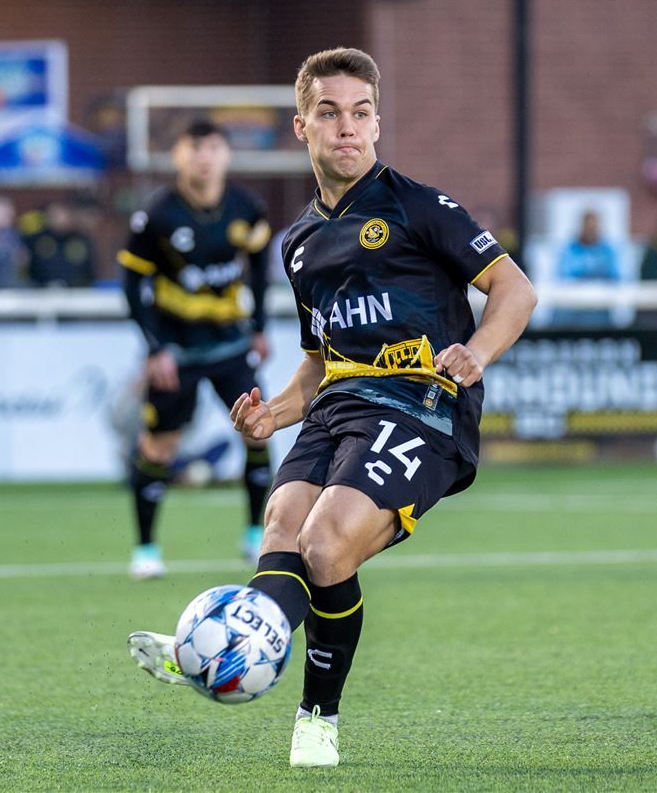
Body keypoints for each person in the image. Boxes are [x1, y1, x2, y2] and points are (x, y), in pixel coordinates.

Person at [126, 48, 536, 768]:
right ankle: (212, 654)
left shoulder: (418, 205)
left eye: (360, 113)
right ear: (301, 127)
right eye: (329, 112)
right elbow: (318, 361)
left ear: (377, 123)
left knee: (325, 543)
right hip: (339, 406)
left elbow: (515, 291)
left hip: (421, 407)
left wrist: (479, 353)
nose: (347, 127)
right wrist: (273, 414)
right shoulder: (298, 243)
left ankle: (317, 718)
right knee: (280, 529)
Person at [117, 120, 274, 579]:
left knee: (258, 427)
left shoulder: (247, 207)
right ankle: (145, 550)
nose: (203, 157)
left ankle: (253, 536)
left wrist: (260, 327)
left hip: (229, 342)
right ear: (178, 157)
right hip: (176, 350)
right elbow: (132, 284)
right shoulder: (157, 214)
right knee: (160, 446)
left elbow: (261, 269)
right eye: (194, 149)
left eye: (212, 148)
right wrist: (153, 348)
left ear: (226, 155)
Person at [23, 198, 97, 287]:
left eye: (62, 214)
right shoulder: (37, 239)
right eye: (54, 215)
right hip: (41, 291)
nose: (59, 218)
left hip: (75, 291)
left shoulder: (80, 239)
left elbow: (89, 269)